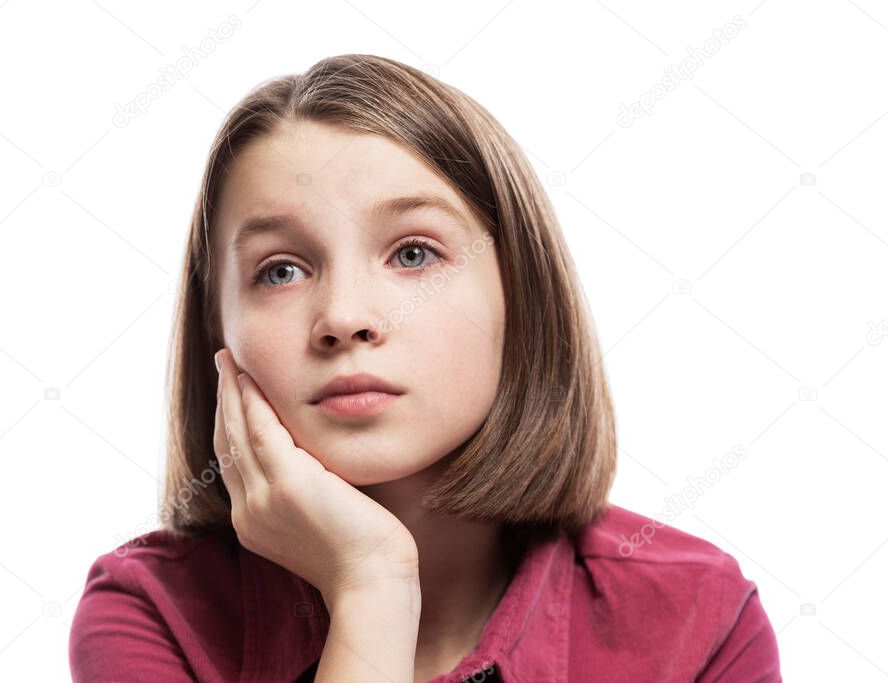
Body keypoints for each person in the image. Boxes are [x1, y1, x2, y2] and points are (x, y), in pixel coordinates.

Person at [69, 53, 781, 682]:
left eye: (414, 254)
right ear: (217, 333)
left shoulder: (701, 622)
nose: (345, 316)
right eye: (280, 270)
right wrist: (371, 585)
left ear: (520, 295)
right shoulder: (149, 615)